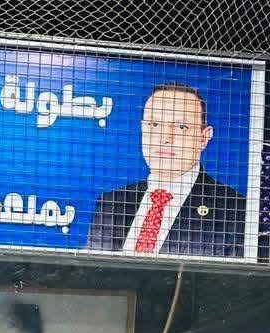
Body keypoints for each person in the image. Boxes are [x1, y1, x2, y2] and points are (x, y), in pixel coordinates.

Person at [86, 83, 246, 258]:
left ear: (204, 138)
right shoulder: (112, 203)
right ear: (142, 129)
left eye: (181, 127)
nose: (165, 138)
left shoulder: (236, 211)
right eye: (154, 124)